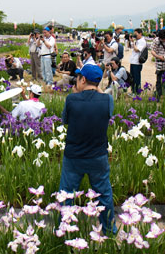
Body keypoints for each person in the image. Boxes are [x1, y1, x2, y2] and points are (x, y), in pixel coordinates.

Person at [59, 63, 117, 234]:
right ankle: (109, 232)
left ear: (82, 79)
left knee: (66, 195)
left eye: (78, 78)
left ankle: (63, 231)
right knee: (104, 195)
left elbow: (65, 120)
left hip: (73, 157)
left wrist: (80, 93)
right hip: (98, 156)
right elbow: (106, 108)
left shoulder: (71, 99)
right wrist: (96, 88)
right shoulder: (107, 100)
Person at [129, 28, 147, 94]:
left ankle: (137, 92)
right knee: (132, 78)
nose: (135, 36)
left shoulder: (142, 41)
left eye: (136, 34)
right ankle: (133, 91)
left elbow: (137, 49)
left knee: (136, 78)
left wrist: (133, 42)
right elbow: (132, 48)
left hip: (137, 63)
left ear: (140, 33)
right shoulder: (137, 41)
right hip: (133, 61)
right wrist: (131, 41)